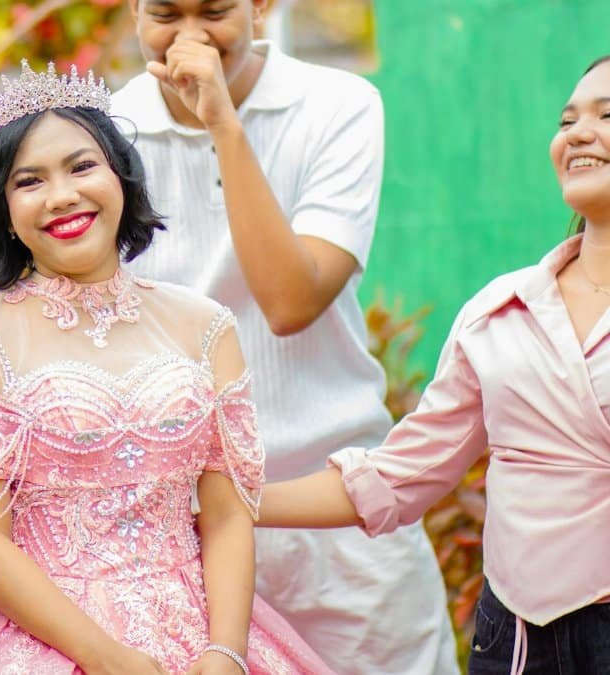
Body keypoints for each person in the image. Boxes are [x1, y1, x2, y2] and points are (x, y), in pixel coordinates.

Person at [0, 62, 331, 675]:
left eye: (81, 166)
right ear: (5, 210)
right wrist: (106, 658)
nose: (61, 195)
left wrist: (227, 651)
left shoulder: (204, 326)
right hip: (41, 641)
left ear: (121, 176)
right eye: (29, 181)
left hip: (204, 631)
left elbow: (227, 513)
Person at [110, 2, 458, 672]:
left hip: (337, 519)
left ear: (261, 5)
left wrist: (222, 124)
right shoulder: (103, 136)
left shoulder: (338, 106)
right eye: (163, 12)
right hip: (181, 532)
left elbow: (290, 300)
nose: (189, 35)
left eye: (214, 10)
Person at [258, 54, 610, 675]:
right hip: (519, 641)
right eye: (567, 119)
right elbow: (398, 476)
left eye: (607, 116)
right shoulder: (500, 313)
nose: (578, 132)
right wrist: (233, 502)